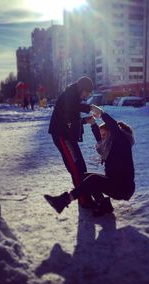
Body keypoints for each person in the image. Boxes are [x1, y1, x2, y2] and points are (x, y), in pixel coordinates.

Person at [44, 108, 135, 216]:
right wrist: (93, 124)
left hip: (123, 187)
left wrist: (101, 113)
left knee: (93, 180)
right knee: (85, 176)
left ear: (113, 135)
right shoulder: (108, 145)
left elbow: (113, 126)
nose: (102, 138)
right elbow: (100, 140)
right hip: (114, 182)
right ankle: (104, 205)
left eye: (105, 135)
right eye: (102, 136)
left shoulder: (122, 142)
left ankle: (64, 200)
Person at [48, 76, 101, 208]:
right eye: (87, 92)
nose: (87, 95)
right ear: (81, 88)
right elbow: (71, 108)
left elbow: (70, 118)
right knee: (76, 168)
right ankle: (84, 200)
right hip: (62, 137)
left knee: (81, 167)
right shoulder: (70, 94)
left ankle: (84, 196)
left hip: (68, 137)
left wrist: (84, 120)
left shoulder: (73, 96)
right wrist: (91, 107)